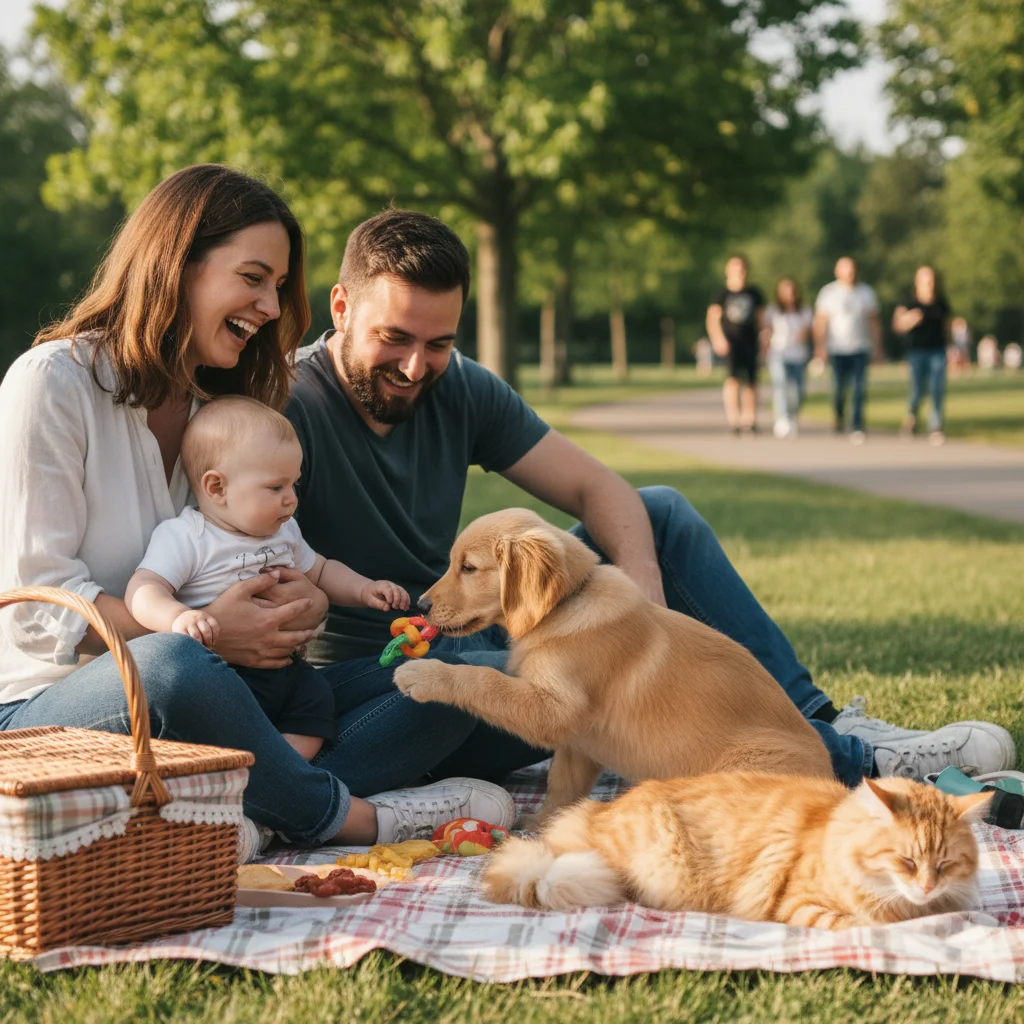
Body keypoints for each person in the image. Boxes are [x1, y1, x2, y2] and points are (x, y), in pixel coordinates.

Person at [285, 208, 1015, 791]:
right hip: (375, 678)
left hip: (487, 636)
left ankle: (815, 721)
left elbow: (598, 487)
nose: (417, 366)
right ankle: (858, 768)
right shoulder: (286, 406)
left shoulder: (462, 386)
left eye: (439, 342)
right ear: (341, 306)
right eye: (395, 338)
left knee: (656, 510)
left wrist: (643, 598)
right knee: (478, 661)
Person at [0, 165, 518, 859]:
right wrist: (213, 637)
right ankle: (355, 818)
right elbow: (40, 611)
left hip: (232, 697)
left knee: (453, 672)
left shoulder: (221, 413)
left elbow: (265, 555)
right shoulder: (52, 384)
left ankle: (250, 814)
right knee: (173, 666)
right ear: (175, 265)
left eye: (277, 287)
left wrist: (297, 601)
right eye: (253, 278)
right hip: (53, 709)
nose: (273, 308)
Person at [125, 396, 411, 761]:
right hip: (225, 673)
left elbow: (321, 570)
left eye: (293, 485)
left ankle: (286, 769)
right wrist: (178, 618)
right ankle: (262, 777)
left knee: (316, 702)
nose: (291, 499)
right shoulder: (187, 537)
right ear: (217, 488)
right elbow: (143, 589)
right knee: (222, 721)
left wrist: (365, 589)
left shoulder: (284, 531)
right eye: (277, 488)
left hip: (287, 668)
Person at [813, 257, 884, 444]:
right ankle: (838, 419)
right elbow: (820, 322)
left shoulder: (866, 293)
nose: (849, 273)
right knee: (838, 388)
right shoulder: (829, 293)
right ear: (837, 271)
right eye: (845, 269)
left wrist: (877, 346)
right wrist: (820, 347)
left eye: (852, 269)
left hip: (860, 348)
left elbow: (874, 321)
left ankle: (857, 424)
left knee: (859, 388)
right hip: (836, 348)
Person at [893, 266, 952, 446]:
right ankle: (911, 418)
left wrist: (953, 348)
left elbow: (947, 328)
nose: (928, 283)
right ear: (917, 281)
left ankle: (935, 425)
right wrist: (911, 319)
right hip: (916, 351)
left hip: (937, 350)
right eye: (925, 279)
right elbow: (897, 325)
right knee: (917, 389)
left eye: (931, 279)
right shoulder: (909, 302)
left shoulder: (941, 303)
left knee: (937, 388)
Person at [705, 255, 765, 435]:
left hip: (750, 341)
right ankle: (734, 420)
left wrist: (764, 338)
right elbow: (712, 319)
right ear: (728, 270)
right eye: (735, 268)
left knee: (751, 381)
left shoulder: (754, 293)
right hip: (731, 342)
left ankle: (750, 418)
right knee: (732, 380)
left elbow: (761, 319)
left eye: (742, 268)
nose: (739, 272)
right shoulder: (721, 294)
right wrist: (718, 339)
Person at [763, 278, 813, 438]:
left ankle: (792, 416)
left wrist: (803, 335)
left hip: (798, 355)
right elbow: (767, 330)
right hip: (778, 354)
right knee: (781, 386)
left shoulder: (804, 311)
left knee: (798, 390)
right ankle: (782, 419)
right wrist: (765, 346)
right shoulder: (773, 311)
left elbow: (809, 330)